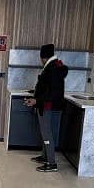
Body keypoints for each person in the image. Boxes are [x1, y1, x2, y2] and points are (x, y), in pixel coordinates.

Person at [24, 43, 68, 172]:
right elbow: (47, 87)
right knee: (45, 133)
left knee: (46, 133)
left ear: (43, 57)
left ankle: (51, 163)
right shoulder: (53, 66)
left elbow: (53, 93)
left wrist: (36, 100)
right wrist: (36, 95)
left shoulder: (52, 69)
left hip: (46, 105)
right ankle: (45, 157)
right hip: (44, 104)